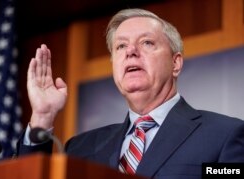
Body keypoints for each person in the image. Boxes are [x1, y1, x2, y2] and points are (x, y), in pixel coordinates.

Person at [17, 8, 244, 179]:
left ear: (175, 63)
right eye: (121, 46)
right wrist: (42, 117)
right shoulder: (80, 148)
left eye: (146, 42)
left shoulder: (224, 135)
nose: (131, 52)